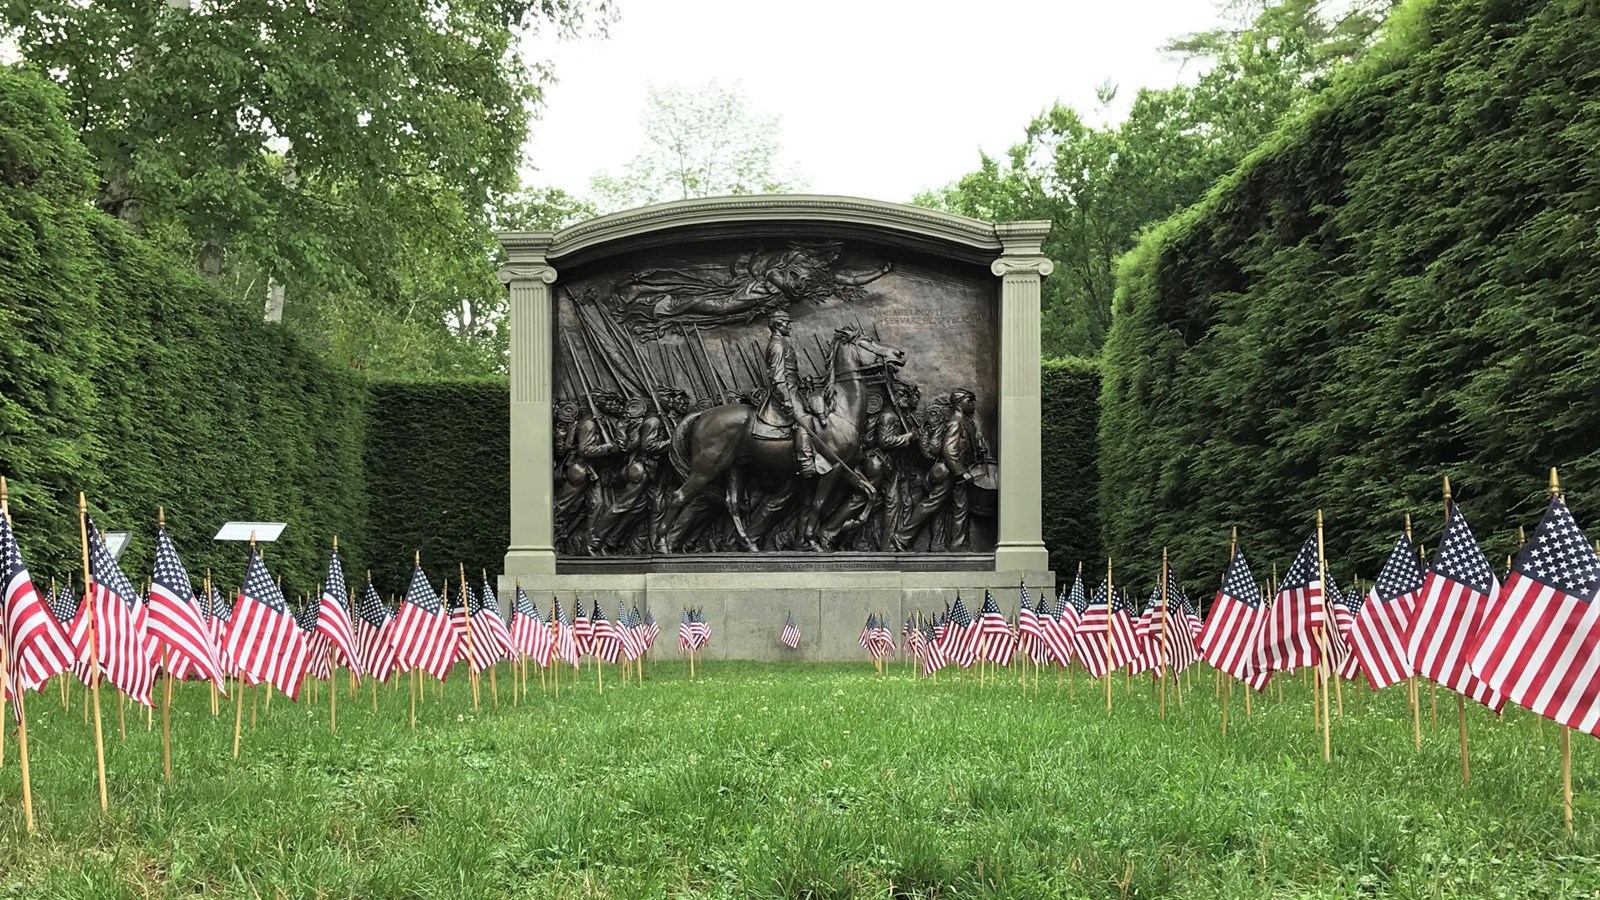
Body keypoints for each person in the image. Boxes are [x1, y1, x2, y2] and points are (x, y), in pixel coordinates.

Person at [892, 389, 987, 552]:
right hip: (951, 473)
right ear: (959, 403)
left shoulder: (966, 422)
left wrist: (979, 446)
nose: (973, 405)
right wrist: (960, 472)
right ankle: (901, 536)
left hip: (959, 473)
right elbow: (949, 451)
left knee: (960, 507)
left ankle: (958, 545)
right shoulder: (956, 422)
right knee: (931, 504)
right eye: (969, 401)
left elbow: (964, 447)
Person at [752, 310, 830, 476]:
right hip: (784, 394)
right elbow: (778, 377)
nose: (789, 326)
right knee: (805, 418)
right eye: (786, 323)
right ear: (778, 325)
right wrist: (786, 401)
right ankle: (806, 461)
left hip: (793, 389)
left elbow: (789, 374)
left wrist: (803, 382)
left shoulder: (783, 343)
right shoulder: (777, 346)